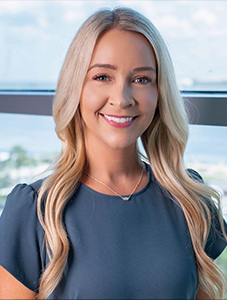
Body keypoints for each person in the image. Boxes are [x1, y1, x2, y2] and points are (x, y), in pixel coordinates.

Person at [0, 6, 227, 300]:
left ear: (160, 93)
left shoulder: (190, 201)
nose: (121, 99)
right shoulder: (35, 211)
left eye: (142, 79)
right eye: (102, 77)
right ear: (76, 88)